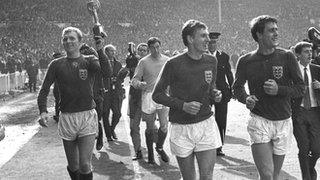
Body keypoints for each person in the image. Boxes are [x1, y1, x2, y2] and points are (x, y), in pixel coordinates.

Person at [233, 15, 305, 180]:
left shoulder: (287, 56)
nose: (276, 33)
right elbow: (236, 88)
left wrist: (279, 89)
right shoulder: (246, 60)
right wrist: (246, 99)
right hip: (260, 120)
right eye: (271, 30)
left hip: (283, 121)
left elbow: (301, 88)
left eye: (277, 30)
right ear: (259, 34)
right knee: (266, 175)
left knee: (273, 175)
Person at [37, 26, 111, 180]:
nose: (68, 41)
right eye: (65, 38)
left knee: (85, 164)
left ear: (79, 41)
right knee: (74, 166)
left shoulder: (90, 60)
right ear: (62, 42)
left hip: (87, 116)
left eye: (72, 38)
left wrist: (100, 50)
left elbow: (107, 73)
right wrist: (43, 110)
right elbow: (44, 89)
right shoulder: (56, 64)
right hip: (67, 117)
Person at [152, 19, 222, 180]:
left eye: (207, 36)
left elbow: (211, 87)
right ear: (190, 39)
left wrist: (215, 94)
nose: (208, 39)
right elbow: (157, 94)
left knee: (207, 177)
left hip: (206, 124)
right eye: (203, 36)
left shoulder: (212, 60)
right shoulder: (173, 63)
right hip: (182, 127)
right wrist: (182, 105)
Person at [132, 37, 169, 164]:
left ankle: (159, 147)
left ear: (161, 46)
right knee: (150, 127)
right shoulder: (143, 62)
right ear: (149, 49)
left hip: (163, 96)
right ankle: (151, 154)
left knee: (164, 126)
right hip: (148, 96)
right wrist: (139, 84)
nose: (156, 50)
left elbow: (174, 78)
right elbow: (134, 79)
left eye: (158, 47)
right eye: (153, 48)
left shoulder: (167, 60)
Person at [291, 41, 320, 180]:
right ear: (298, 54)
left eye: (310, 51)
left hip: (315, 112)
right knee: (304, 148)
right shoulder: (292, 70)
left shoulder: (317, 69)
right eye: (306, 51)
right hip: (299, 112)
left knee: (317, 149)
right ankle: (307, 177)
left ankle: (310, 169)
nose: (310, 54)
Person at [208, 32, 234, 156]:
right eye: (210, 42)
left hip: (222, 92)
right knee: (206, 118)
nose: (212, 45)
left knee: (221, 119)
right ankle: (208, 144)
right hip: (206, 93)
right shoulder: (201, 56)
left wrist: (232, 88)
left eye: (214, 42)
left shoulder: (223, 56)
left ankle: (219, 146)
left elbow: (229, 74)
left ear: (217, 43)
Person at [126, 42, 149, 160]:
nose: (142, 52)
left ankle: (157, 147)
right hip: (135, 98)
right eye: (140, 50)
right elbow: (131, 57)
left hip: (147, 98)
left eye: (145, 50)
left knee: (152, 128)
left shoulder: (152, 64)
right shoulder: (134, 61)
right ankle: (138, 150)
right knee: (133, 127)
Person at [102, 44, 127, 141]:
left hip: (116, 91)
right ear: (106, 52)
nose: (113, 53)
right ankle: (108, 135)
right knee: (105, 114)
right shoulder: (101, 63)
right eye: (111, 51)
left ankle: (112, 129)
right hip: (106, 92)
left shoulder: (118, 64)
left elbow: (122, 77)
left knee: (117, 113)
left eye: (114, 51)